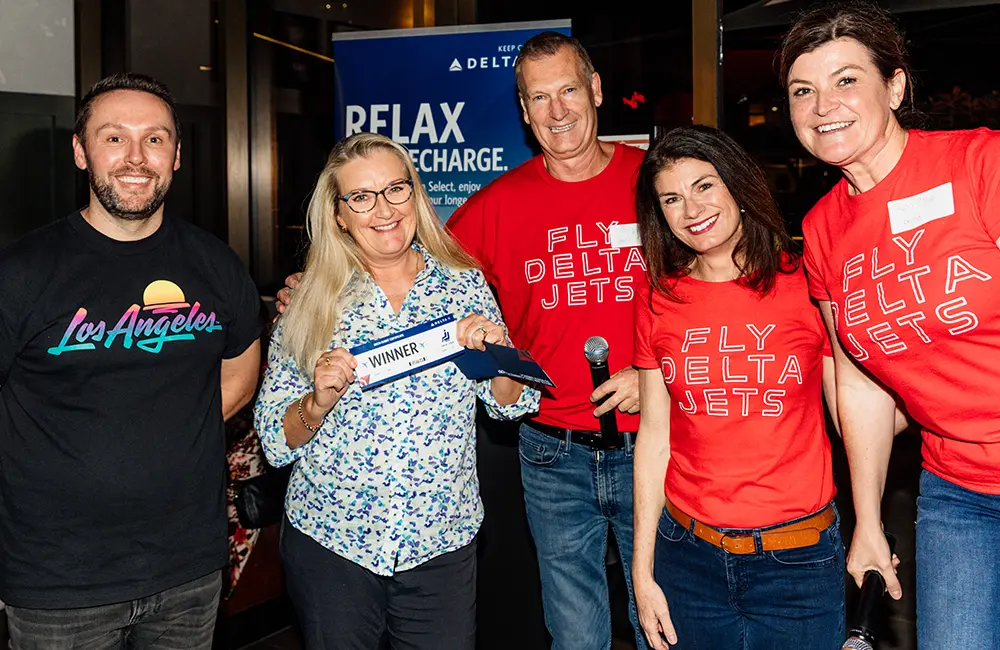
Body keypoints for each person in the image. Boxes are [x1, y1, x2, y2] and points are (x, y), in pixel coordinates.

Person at [277, 32, 648, 650]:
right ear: (523, 112)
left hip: (655, 439)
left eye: (569, 91)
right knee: (576, 633)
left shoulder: (655, 184)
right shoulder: (493, 207)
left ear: (597, 91)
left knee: (661, 618)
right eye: (539, 98)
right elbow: (401, 252)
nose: (558, 112)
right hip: (552, 450)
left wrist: (657, 374)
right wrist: (310, 289)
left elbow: (712, 288)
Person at [0, 73, 262, 648]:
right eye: (114, 138)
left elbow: (241, 373)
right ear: (80, 151)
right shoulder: (20, 273)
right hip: (59, 582)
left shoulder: (216, 265)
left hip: (188, 569)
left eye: (155, 139)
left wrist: (161, 431)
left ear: (176, 156)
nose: (136, 158)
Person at [253, 132, 538, 650]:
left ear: (416, 194)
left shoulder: (463, 284)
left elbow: (508, 404)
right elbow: (274, 437)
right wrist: (317, 402)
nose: (383, 209)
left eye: (396, 190)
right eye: (361, 197)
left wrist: (498, 354)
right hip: (333, 544)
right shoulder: (309, 299)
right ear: (339, 214)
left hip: (441, 544)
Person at [781, 3, 1000, 647]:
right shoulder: (822, 230)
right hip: (958, 490)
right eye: (803, 90)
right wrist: (868, 520)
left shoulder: (978, 164)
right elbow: (862, 383)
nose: (824, 105)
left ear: (896, 87)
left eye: (846, 79)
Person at [630, 125, 848, 649]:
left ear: (737, 186)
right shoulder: (659, 297)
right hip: (686, 555)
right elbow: (654, 437)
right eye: (671, 199)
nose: (691, 210)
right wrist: (642, 571)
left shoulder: (805, 283)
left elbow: (854, 413)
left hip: (798, 560)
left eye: (704, 186)